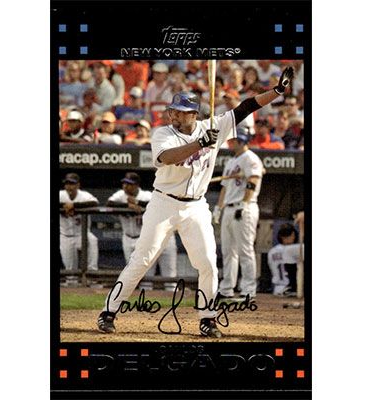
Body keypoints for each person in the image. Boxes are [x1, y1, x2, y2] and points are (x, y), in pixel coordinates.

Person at [97, 67, 295, 338]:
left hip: (196, 206)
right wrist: (200, 144)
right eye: (173, 111)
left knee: (208, 263)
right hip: (163, 203)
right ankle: (108, 312)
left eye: (181, 112)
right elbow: (167, 157)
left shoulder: (213, 126)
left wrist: (277, 91)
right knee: (141, 260)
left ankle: (207, 318)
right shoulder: (163, 133)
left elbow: (246, 107)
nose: (174, 115)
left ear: (194, 114)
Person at [212, 128, 263, 300]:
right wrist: (218, 208)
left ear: (241, 141)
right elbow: (224, 188)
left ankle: (248, 290)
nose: (231, 143)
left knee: (245, 250)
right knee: (228, 251)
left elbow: (253, 180)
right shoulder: (231, 161)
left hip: (244, 208)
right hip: (229, 208)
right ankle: (227, 288)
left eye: (234, 140)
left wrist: (244, 203)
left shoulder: (250, 158)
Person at [107, 172, 177, 291]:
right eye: (124, 183)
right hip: (136, 238)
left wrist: (137, 202)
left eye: (129, 184)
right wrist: (128, 205)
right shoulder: (120, 195)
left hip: (160, 237)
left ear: (136, 185)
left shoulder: (147, 196)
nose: (125, 186)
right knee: (145, 279)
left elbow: (159, 205)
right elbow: (109, 203)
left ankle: (173, 299)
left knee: (170, 277)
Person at [60, 173, 99, 285]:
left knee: (92, 240)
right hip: (66, 235)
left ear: (78, 185)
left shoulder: (84, 196)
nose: (69, 186)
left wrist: (74, 205)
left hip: (82, 234)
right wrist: (64, 206)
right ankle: (72, 284)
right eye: (67, 183)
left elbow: (95, 203)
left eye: (72, 184)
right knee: (70, 271)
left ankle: (92, 277)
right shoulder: (61, 195)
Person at [267, 223, 303, 296]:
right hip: (292, 289)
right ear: (293, 235)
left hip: (277, 289)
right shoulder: (296, 249)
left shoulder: (272, 251)